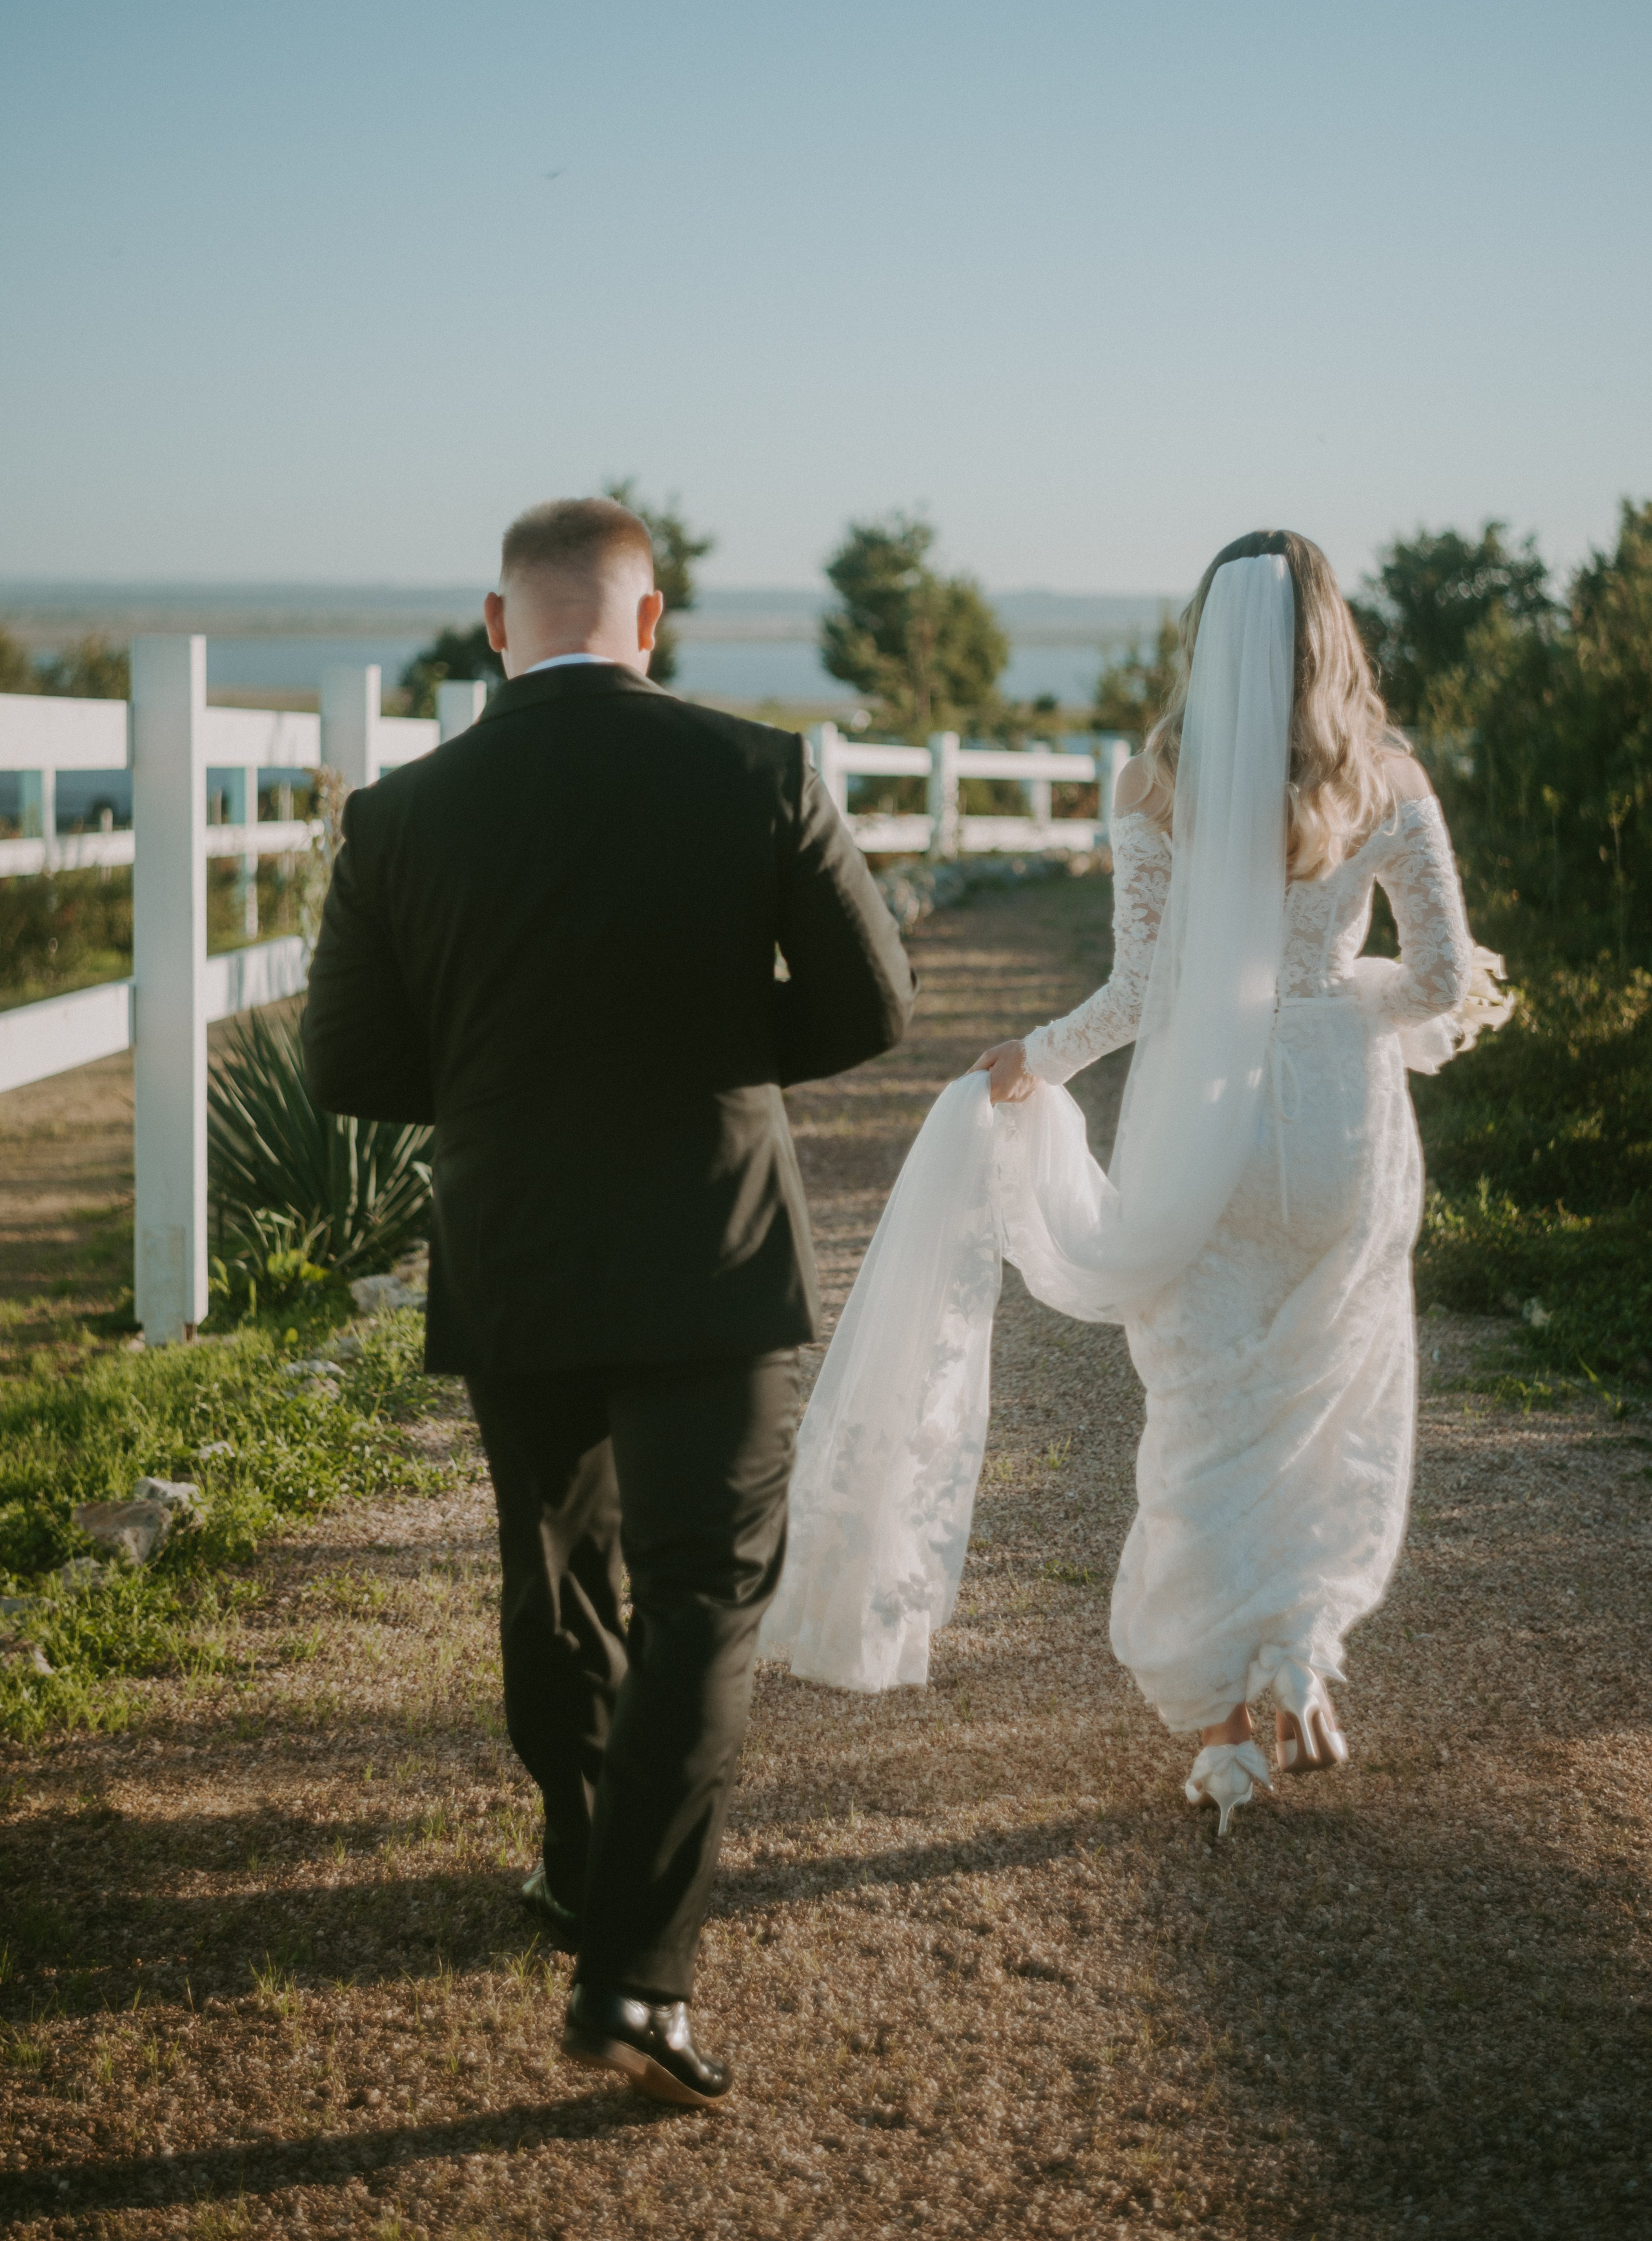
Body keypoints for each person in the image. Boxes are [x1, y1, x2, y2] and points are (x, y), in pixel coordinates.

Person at [303, 496, 914, 2104]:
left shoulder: (401, 814)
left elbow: (350, 1064)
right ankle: (635, 1975)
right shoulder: (762, 772)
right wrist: (701, 1050)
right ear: (653, 623)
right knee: (702, 1591)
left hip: (515, 1245)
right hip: (708, 1245)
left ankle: (580, 1861)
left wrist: (523, 1081)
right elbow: (872, 1004)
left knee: (557, 1570)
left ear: (498, 627)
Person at [763, 531, 1503, 1836]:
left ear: (1205, 634)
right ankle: (1299, 1652)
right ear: (1330, 629)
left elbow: (1143, 991)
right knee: (1319, 1400)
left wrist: (1028, 1059)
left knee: (1207, 1418)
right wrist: (1340, 1000)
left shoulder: (1157, 776)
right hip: (1338, 1120)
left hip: (1203, 1119)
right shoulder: (1384, 776)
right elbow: (1441, 982)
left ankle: (1226, 1732)